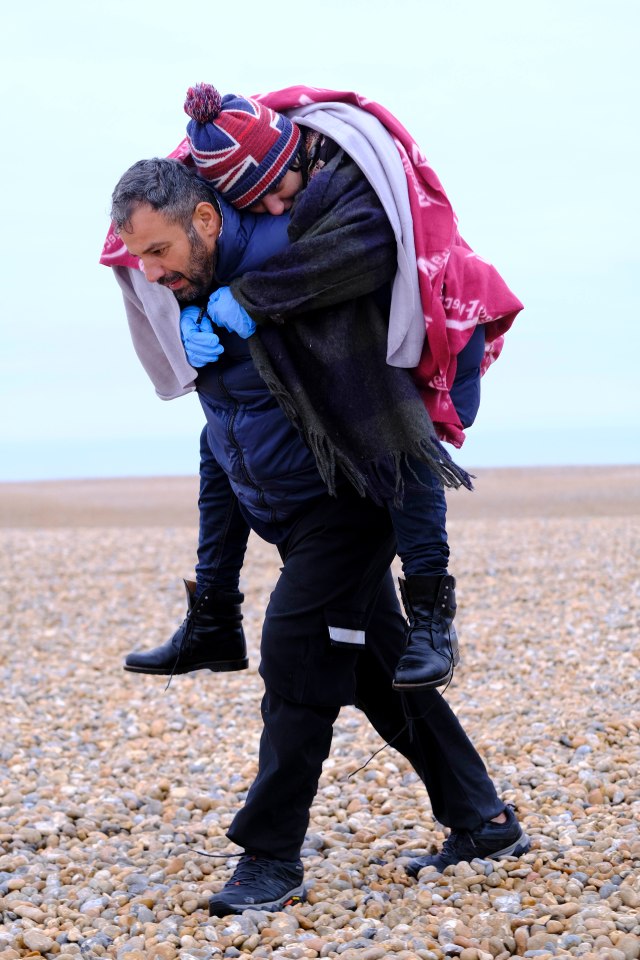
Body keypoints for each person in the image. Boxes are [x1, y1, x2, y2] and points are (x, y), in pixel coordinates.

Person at [108, 126, 530, 915]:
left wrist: (430, 583)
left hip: (351, 509)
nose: (152, 272)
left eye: (159, 251)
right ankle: (484, 822)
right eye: (140, 259)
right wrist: (213, 599)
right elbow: (220, 447)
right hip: (289, 521)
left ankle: (271, 859)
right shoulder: (199, 306)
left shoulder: (295, 279)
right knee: (375, 670)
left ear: (204, 221)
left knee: (297, 654)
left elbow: (397, 428)